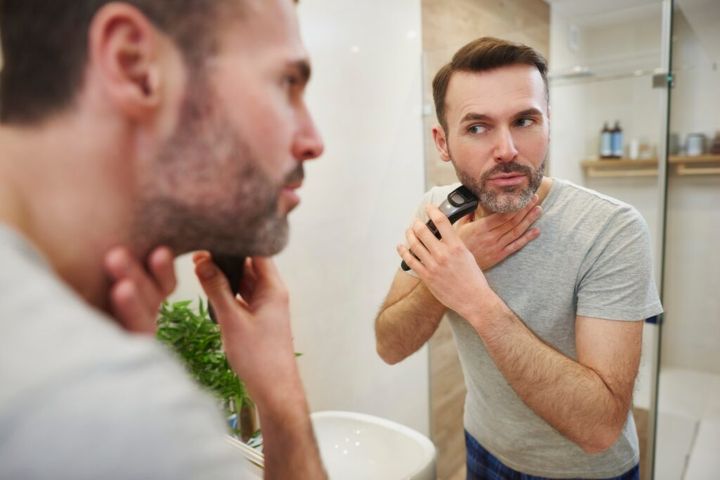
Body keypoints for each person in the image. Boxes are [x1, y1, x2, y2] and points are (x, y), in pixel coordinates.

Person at [0, 0, 327, 478]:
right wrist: (285, 404)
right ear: (136, 66)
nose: (313, 140)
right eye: (286, 83)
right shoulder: (107, 415)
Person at [375, 37, 662, 479]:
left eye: (524, 121)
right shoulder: (439, 213)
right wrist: (447, 273)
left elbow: (600, 427)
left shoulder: (612, 230)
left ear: (549, 124)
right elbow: (389, 345)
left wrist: (475, 298)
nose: (506, 148)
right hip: (483, 448)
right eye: (477, 127)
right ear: (442, 141)